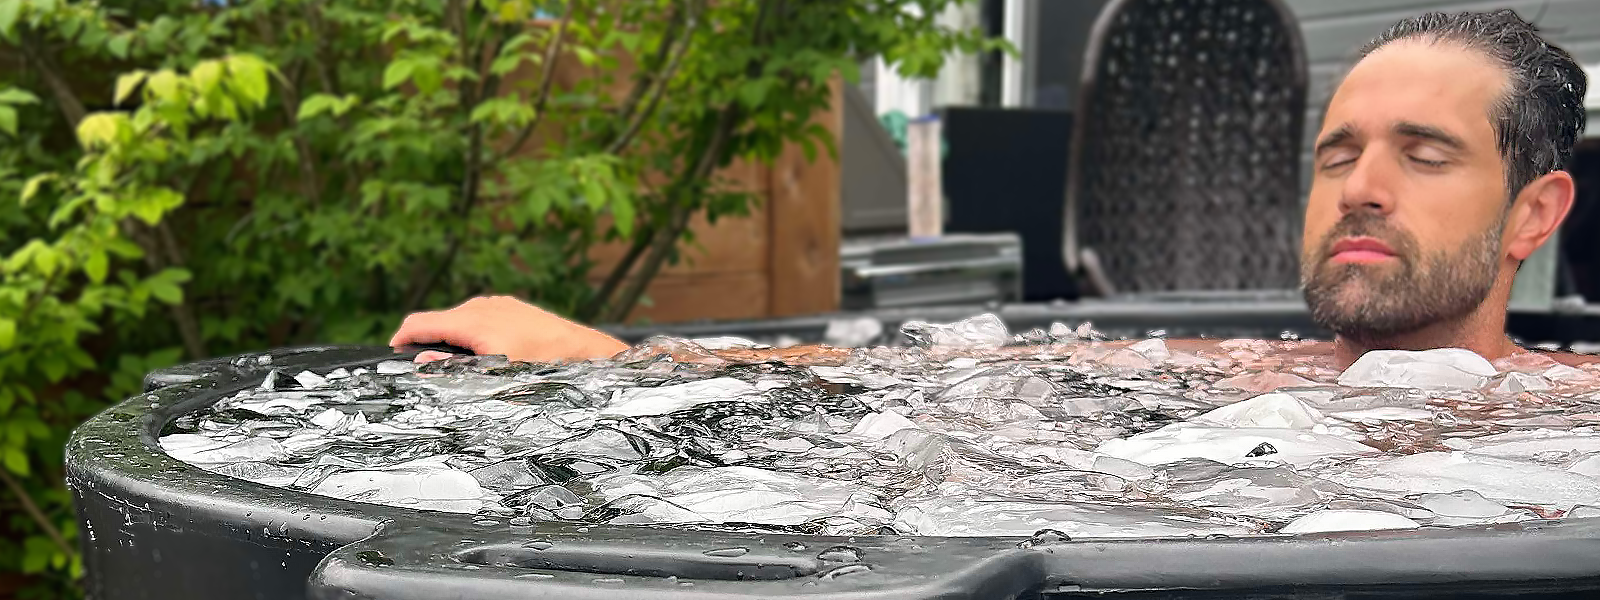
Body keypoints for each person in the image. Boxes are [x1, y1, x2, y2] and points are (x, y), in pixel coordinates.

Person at [390, 10, 1589, 370]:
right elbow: (921, 369)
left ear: (1533, 212)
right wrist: (604, 356)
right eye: (1336, 156)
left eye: (1423, 156)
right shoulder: (1230, 373)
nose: (1360, 190)